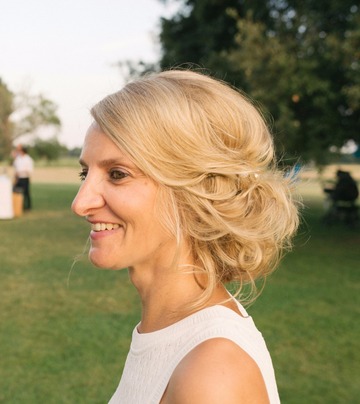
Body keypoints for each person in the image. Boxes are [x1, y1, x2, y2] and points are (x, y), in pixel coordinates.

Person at [71, 70, 299, 403]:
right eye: (84, 172)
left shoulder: (212, 374)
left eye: (117, 174)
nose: (80, 203)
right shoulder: (172, 334)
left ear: (192, 190)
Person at [13, 144, 34, 210]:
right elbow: (15, 167)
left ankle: (28, 207)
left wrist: (21, 172)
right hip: (18, 178)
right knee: (16, 192)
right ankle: (19, 206)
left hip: (25, 178)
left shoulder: (28, 159)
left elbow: (29, 171)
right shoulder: (18, 159)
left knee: (26, 193)